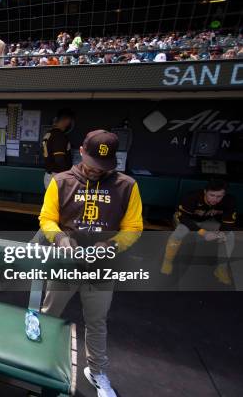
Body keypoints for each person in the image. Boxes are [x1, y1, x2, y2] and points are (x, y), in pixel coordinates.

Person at [39, 130, 143, 397]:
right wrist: (60, 238)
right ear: (82, 151)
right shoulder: (61, 181)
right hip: (65, 264)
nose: (98, 170)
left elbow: (133, 227)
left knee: (97, 322)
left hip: (101, 268)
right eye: (94, 163)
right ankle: (40, 365)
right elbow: (47, 218)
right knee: (49, 317)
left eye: (104, 166)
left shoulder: (126, 185)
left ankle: (96, 371)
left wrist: (111, 245)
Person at [160, 179, 237, 285]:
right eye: (212, 195)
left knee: (230, 236)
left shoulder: (229, 200)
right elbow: (184, 219)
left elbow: (228, 222)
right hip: (188, 221)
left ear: (224, 194)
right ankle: (167, 260)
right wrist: (203, 233)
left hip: (208, 221)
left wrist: (222, 233)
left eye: (219, 196)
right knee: (179, 233)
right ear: (205, 192)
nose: (215, 199)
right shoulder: (192, 197)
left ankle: (221, 269)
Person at [42, 108, 75, 188]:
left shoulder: (49, 133)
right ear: (66, 121)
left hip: (50, 175)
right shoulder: (59, 136)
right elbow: (59, 159)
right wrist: (68, 175)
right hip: (57, 176)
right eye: (69, 120)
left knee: (51, 200)